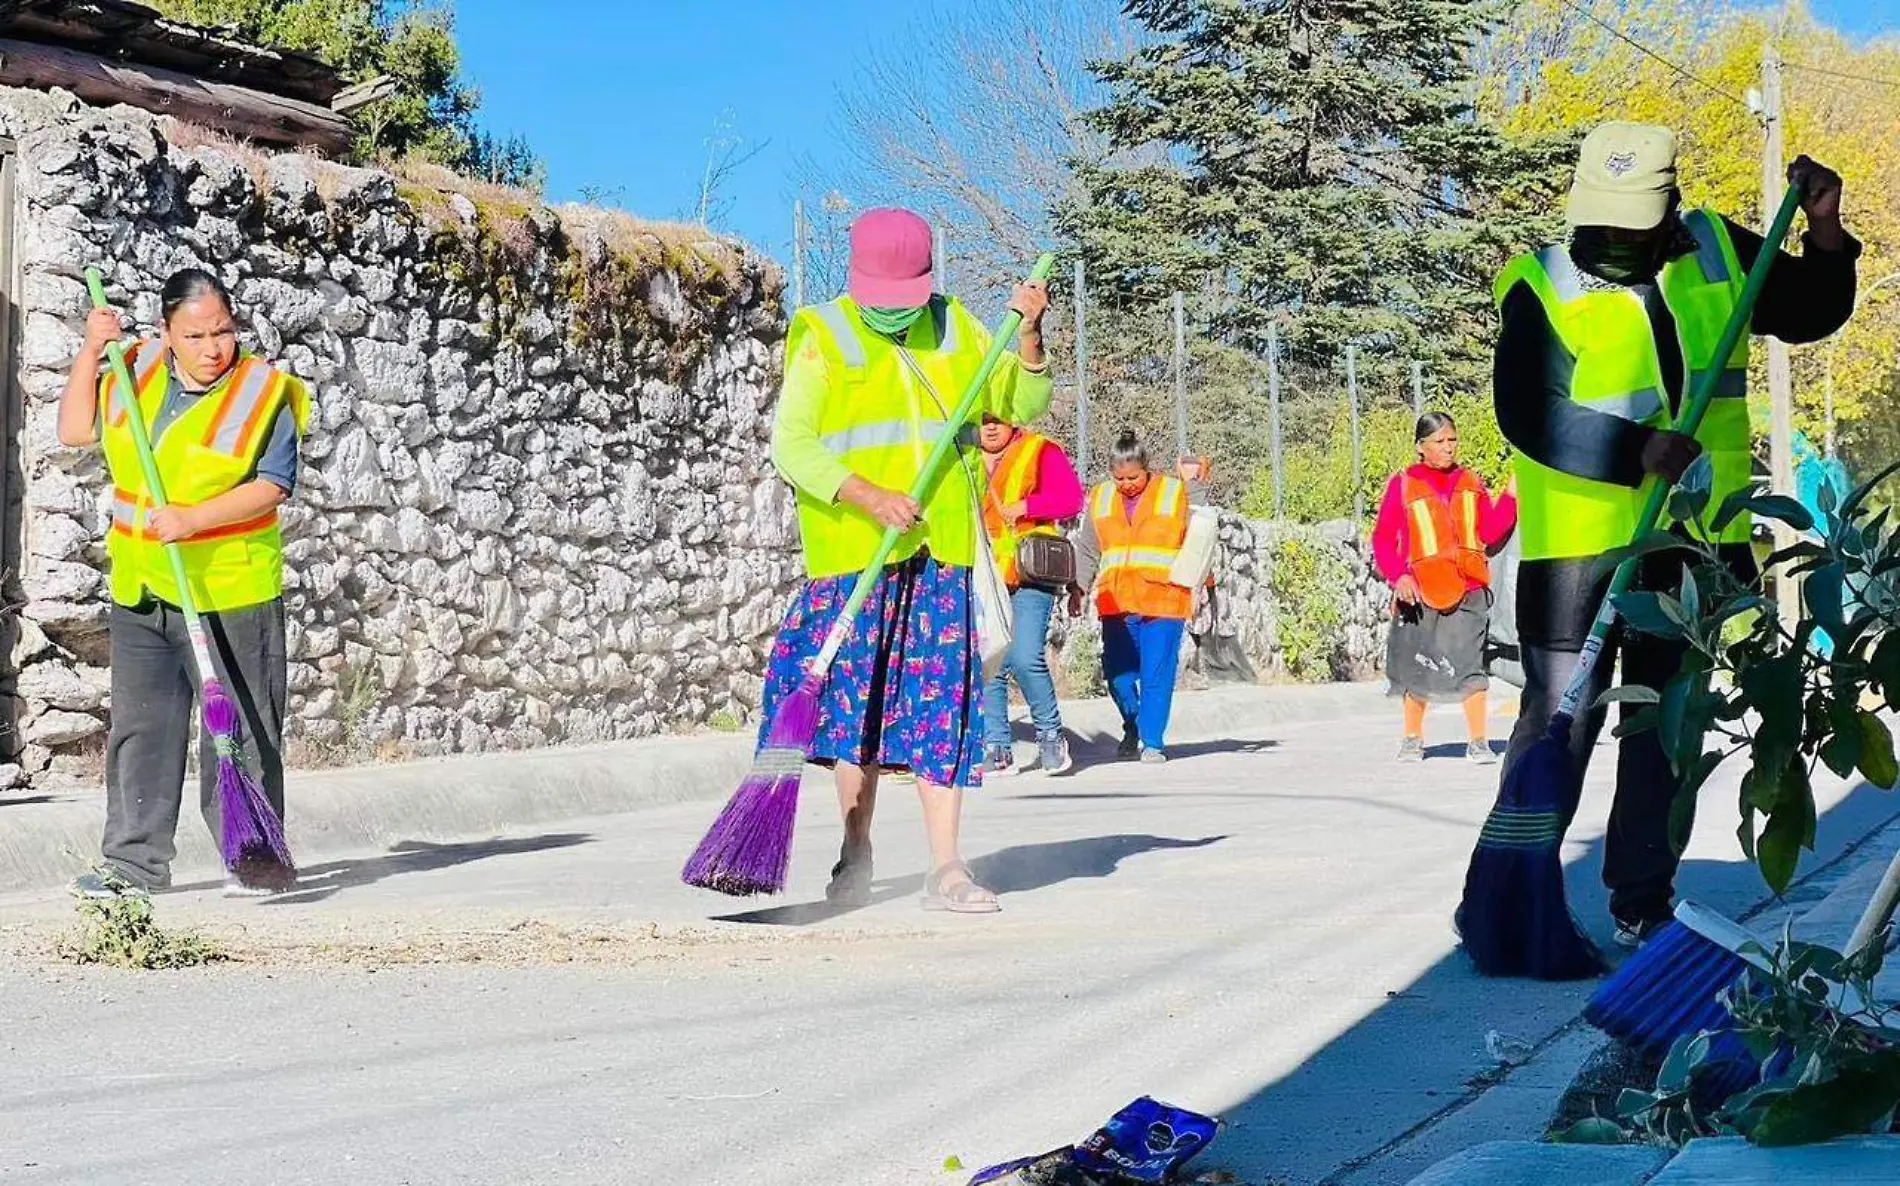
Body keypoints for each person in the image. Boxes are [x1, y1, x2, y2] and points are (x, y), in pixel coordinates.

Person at [1493, 121, 1857, 947]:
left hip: (1690, 550)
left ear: (1669, 210)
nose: (1615, 236)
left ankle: (1641, 902)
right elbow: (1526, 411)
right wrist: (1636, 450)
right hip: (1577, 553)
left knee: (1666, 728)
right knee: (1560, 721)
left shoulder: (1720, 251)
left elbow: (1807, 310)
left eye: (1635, 220)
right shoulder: (1542, 284)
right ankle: (1515, 897)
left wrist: (1825, 230)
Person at [765, 207, 1052, 914]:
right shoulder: (822, 335)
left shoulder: (960, 328)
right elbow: (792, 445)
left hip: (941, 551)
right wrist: (866, 495)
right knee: (854, 713)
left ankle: (946, 867)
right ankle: (855, 849)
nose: (892, 312)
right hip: (853, 557)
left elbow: (1020, 401)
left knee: (940, 710)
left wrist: (1032, 334)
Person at [58, 269, 311, 899]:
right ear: (167, 333)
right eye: (195, 334)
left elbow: (273, 484)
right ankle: (132, 865)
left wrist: (192, 519)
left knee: (243, 730)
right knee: (141, 731)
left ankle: (252, 859)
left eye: (222, 331)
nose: (212, 348)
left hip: (232, 590)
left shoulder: (263, 392)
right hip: (143, 588)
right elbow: (74, 431)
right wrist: (91, 352)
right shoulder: (133, 367)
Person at [1371, 412, 1517, 764]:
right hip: (1418, 592)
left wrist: (1511, 495)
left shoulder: (1471, 483)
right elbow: (1383, 539)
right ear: (1421, 447)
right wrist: (1399, 577)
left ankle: (1479, 741)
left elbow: (1491, 532)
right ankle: (1412, 738)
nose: (1448, 447)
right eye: (1439, 441)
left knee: (1470, 664)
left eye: (1452, 440)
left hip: (1468, 588)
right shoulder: (1403, 484)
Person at [1070, 431, 1194, 764]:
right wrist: (1078, 587)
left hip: (1164, 600)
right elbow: (1087, 548)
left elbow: (1200, 533)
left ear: (1147, 468)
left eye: (1133, 477)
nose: (1126, 484)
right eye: (1119, 477)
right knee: (1118, 675)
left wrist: (1195, 484)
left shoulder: (1173, 491)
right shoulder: (1100, 498)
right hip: (1116, 602)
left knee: (1156, 673)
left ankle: (1152, 741)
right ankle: (1133, 723)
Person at [978, 415, 1085, 777]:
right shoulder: (962, 455)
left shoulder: (1040, 449)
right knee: (990, 657)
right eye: (983, 421)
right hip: (985, 570)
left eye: (998, 420)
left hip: (1030, 569)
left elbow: (1071, 499)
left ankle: (1051, 736)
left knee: (1025, 657)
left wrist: (1028, 507)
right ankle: (997, 745)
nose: (991, 428)